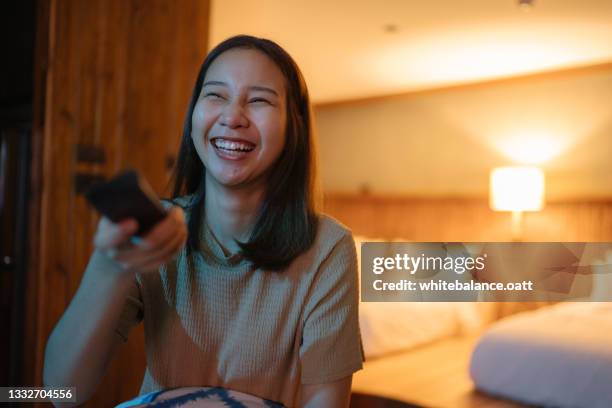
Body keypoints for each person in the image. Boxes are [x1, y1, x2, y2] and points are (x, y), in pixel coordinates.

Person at [43, 35, 364, 407]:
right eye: (215, 95)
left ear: (294, 126)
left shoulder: (328, 248)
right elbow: (59, 393)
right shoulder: (155, 233)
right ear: (194, 117)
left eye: (259, 100)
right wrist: (108, 267)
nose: (232, 117)